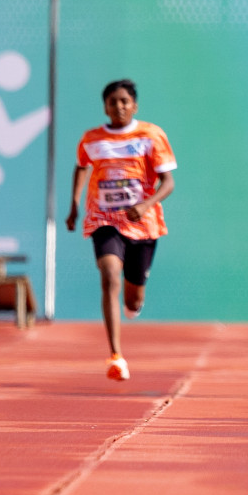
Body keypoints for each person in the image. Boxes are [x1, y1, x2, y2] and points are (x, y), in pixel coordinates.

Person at [65, 79, 177, 381]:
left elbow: (168, 182)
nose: (119, 107)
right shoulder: (92, 139)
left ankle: (134, 301)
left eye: (124, 101)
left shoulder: (151, 135)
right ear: (105, 106)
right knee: (109, 276)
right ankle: (116, 356)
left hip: (142, 222)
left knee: (132, 299)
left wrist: (145, 205)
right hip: (104, 218)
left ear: (134, 105)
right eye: (112, 102)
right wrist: (75, 204)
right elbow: (81, 166)